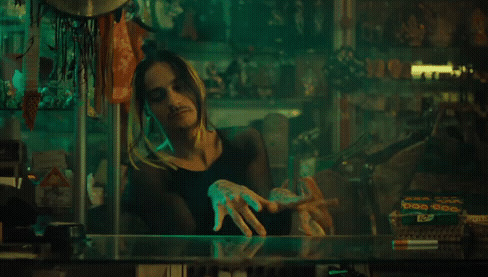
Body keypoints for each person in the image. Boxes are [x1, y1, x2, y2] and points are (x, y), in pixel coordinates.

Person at [125, 43, 336, 236]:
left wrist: (282, 204)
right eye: (157, 96)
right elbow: (190, 246)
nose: (173, 100)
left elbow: (263, 224)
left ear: (198, 87)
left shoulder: (245, 141)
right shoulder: (148, 172)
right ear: (147, 110)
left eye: (179, 87)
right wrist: (213, 190)